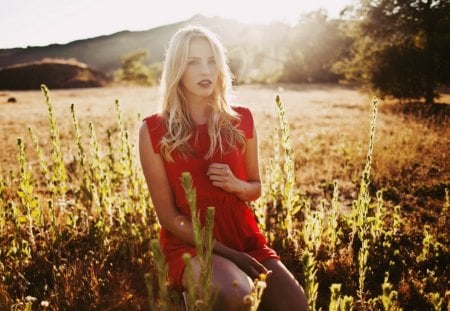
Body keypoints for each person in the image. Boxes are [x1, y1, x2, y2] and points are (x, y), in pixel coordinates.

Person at [139, 25, 308, 311]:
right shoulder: (154, 130)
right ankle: (191, 299)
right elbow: (168, 217)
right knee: (236, 295)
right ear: (178, 68)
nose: (205, 70)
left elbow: (255, 188)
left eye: (211, 60)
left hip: (244, 236)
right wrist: (230, 256)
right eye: (193, 62)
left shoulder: (242, 119)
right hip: (189, 243)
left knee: (296, 305)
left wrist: (236, 185)